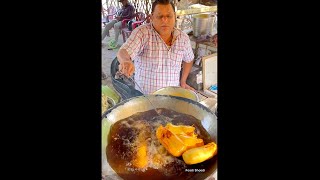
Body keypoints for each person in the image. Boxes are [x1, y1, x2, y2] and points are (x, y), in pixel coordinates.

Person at [117, 0, 195, 94]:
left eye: (169, 16)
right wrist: (125, 61)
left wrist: (183, 81)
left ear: (174, 16)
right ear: (151, 17)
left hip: (172, 96)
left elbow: (189, 59)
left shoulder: (183, 38)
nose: (164, 20)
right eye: (159, 16)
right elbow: (123, 52)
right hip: (145, 97)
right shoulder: (142, 33)